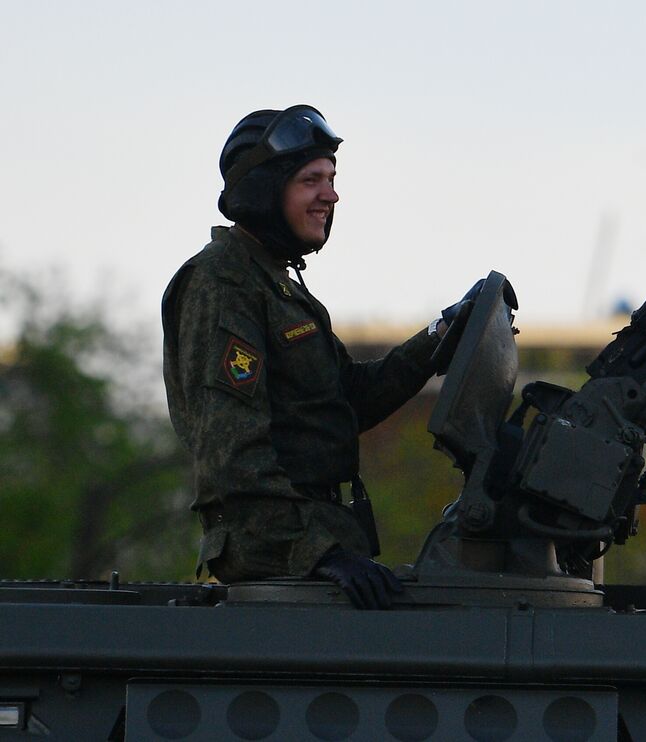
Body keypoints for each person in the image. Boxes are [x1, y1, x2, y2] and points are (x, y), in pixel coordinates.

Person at [162, 105, 468, 608]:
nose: (331, 194)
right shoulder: (223, 282)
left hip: (312, 547)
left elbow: (345, 400)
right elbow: (231, 448)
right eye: (311, 180)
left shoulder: (279, 286)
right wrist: (316, 552)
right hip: (276, 556)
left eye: (330, 178)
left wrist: (440, 336)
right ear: (265, 191)